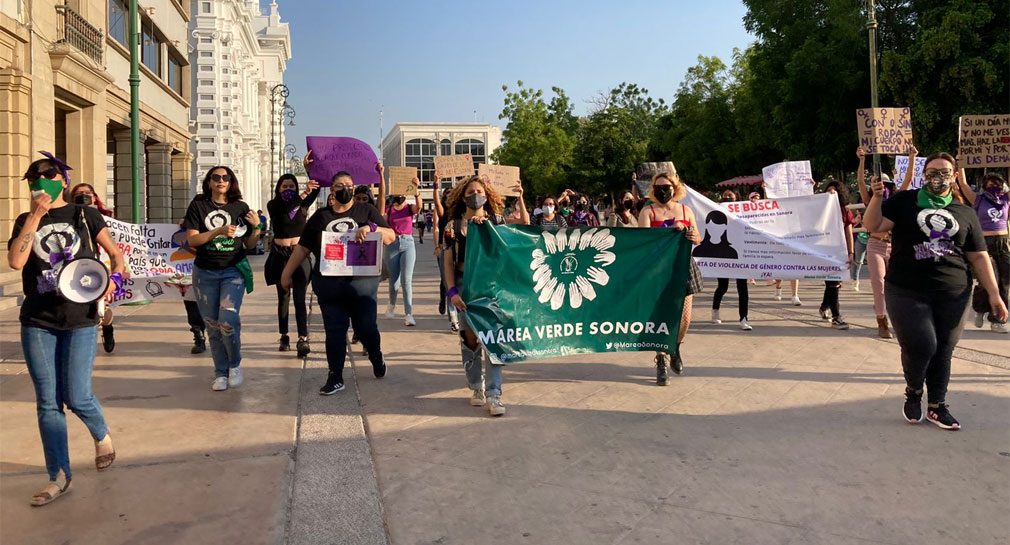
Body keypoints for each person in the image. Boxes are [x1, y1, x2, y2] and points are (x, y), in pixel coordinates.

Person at [8, 153, 125, 506]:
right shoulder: (25, 219)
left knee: (75, 395)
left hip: (80, 319)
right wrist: (35, 217)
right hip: (38, 320)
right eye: (32, 176)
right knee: (47, 400)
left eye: (46, 173)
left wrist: (113, 281)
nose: (38, 179)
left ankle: (101, 433)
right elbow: (16, 261)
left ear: (62, 179)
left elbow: (116, 257)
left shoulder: (85, 215)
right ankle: (58, 475)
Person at [863, 152, 1008, 429]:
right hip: (906, 289)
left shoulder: (964, 212)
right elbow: (874, 226)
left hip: (954, 293)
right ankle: (914, 391)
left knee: (943, 349)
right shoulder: (905, 202)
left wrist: (994, 293)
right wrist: (878, 197)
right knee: (922, 344)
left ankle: (937, 406)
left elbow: (979, 256)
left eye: (944, 171)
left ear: (954, 176)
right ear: (923, 174)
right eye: (932, 171)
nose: (938, 177)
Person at [280, 171, 395, 395]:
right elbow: (303, 248)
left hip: (361, 284)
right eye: (340, 185)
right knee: (334, 330)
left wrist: (371, 228)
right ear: (332, 190)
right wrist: (286, 273)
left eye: (349, 184)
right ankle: (335, 376)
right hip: (329, 285)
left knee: (366, 328)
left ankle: (376, 356)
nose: (346, 188)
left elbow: (390, 236)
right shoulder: (321, 217)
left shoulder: (366, 211)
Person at [445, 175, 526, 416]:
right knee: (470, 340)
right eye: (470, 192)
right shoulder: (453, 226)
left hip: (491, 288)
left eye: (479, 191)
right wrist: (452, 292)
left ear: (487, 195)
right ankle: (476, 386)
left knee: (493, 338)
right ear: (463, 196)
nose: (474, 195)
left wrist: (520, 197)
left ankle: (494, 393)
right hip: (464, 285)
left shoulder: (497, 222)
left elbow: (524, 223)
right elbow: (448, 262)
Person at [183, 166, 262, 391]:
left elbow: (249, 245)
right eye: (215, 177)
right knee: (212, 324)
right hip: (205, 272)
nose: (220, 180)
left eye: (225, 177)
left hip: (233, 270)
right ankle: (220, 372)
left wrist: (256, 228)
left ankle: (234, 364)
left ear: (231, 182)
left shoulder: (240, 207)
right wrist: (218, 231)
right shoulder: (198, 206)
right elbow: (193, 241)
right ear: (209, 182)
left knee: (228, 319)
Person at [638, 169, 703, 385]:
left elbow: (697, 237)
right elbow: (644, 241)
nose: (663, 191)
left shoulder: (686, 210)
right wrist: (668, 231)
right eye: (658, 188)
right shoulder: (648, 212)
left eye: (667, 187)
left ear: (675, 188)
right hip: (658, 272)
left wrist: (692, 234)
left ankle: (675, 346)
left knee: (684, 320)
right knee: (661, 319)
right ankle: (661, 360)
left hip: (682, 268)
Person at [856, 146, 913, 338]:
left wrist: (912, 157)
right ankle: (882, 321)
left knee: (896, 284)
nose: (884, 188)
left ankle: (898, 318)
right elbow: (861, 183)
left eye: (886, 185)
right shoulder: (870, 201)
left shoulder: (896, 200)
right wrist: (862, 160)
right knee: (878, 283)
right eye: (881, 184)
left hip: (893, 246)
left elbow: (907, 181)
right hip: (875, 245)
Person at [265, 167, 320, 356]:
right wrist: (303, 193)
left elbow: (316, 189)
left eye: (291, 186)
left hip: (299, 254)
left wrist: (309, 170)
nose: (288, 188)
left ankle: (302, 338)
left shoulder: (303, 204)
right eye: (284, 186)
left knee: (299, 298)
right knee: (283, 297)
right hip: (279, 254)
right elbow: (288, 208)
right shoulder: (273, 205)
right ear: (278, 189)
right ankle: (284, 334)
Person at [956, 170, 1010, 334]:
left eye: (996, 185)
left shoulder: (1006, 200)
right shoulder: (979, 199)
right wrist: (962, 164)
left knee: (1005, 281)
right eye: (990, 184)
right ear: (984, 186)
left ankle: (997, 320)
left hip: (1003, 242)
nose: (993, 187)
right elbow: (964, 186)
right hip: (985, 242)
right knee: (987, 279)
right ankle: (980, 308)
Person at [69, 183, 117, 353]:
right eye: (79, 193)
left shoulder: (103, 216)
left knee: (102, 304)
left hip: (101, 263)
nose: (83, 195)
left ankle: (107, 327)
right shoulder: (69, 215)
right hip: (76, 266)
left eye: (87, 192)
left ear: (95, 196)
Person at [378, 168, 421, 326]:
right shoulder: (389, 210)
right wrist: (381, 177)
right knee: (394, 279)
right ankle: (392, 305)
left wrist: (417, 191)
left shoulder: (409, 208)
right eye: (398, 193)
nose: (400, 196)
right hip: (392, 244)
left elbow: (419, 207)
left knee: (406, 280)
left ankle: (408, 314)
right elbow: (381, 215)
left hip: (408, 243)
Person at [816, 180, 855, 329]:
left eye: (834, 191)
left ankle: (824, 307)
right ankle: (836, 317)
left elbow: (849, 232)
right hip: (824, 252)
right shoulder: (820, 211)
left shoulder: (845, 211)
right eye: (828, 191)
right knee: (832, 283)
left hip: (839, 252)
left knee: (834, 284)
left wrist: (851, 252)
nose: (831, 193)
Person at [433, 184, 460, 331]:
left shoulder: (460, 212)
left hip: (460, 250)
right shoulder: (443, 211)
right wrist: (436, 185)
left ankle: (454, 311)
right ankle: (453, 317)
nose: (449, 196)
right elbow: (436, 203)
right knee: (447, 282)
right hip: (445, 249)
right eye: (447, 194)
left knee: (456, 281)